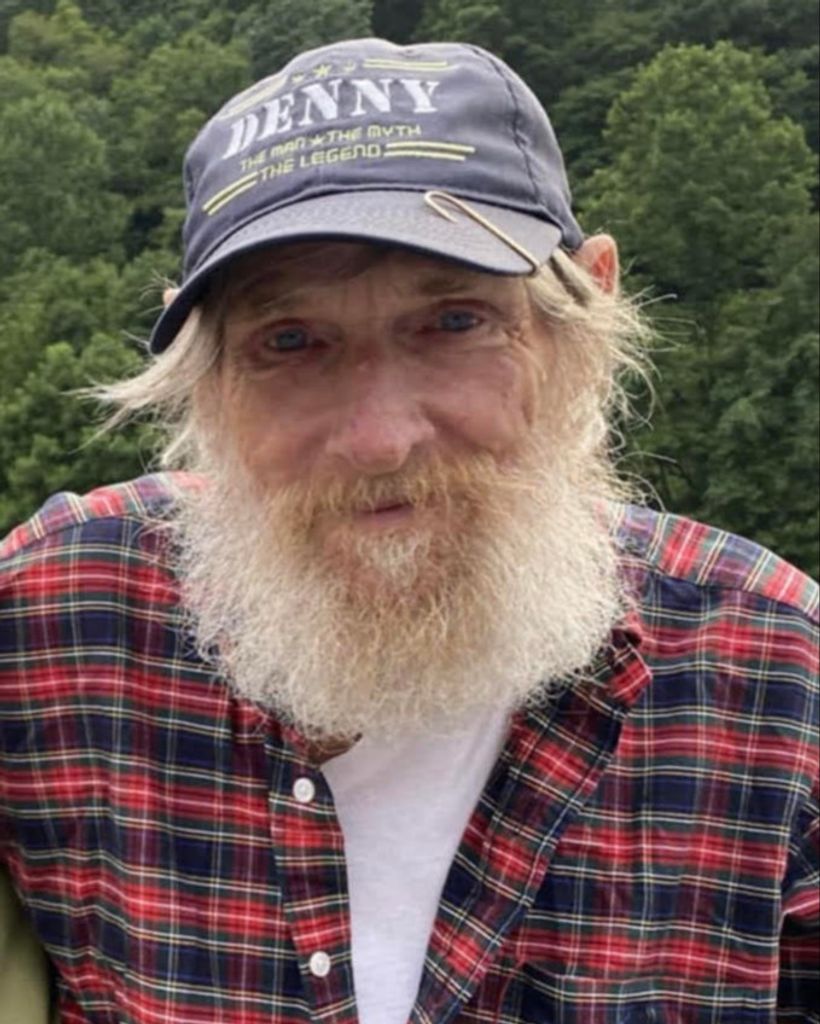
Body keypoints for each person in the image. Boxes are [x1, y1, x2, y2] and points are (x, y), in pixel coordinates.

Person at [0, 36, 817, 1024]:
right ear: (204, 382)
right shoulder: (52, 624)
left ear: (587, 308)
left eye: (455, 322)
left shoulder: (778, 683)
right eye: (290, 341)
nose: (380, 439)